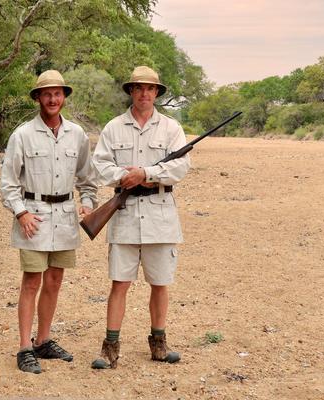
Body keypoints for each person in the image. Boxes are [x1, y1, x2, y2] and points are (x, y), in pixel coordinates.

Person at [90, 66, 189, 369]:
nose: (145, 94)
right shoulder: (113, 127)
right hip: (124, 213)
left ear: (157, 92)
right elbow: (100, 166)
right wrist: (126, 177)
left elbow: (181, 167)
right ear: (131, 91)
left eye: (150, 88)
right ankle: (110, 347)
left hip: (160, 213)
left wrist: (146, 173)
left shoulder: (171, 128)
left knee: (160, 283)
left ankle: (158, 343)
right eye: (139, 88)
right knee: (120, 283)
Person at [0, 70, 98, 374]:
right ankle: (24, 347)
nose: (53, 99)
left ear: (64, 97)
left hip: (66, 217)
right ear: (38, 98)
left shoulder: (77, 134)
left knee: (55, 281)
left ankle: (43, 340)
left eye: (58, 94)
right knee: (31, 281)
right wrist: (21, 213)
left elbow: (88, 178)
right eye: (47, 94)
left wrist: (88, 204)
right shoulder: (22, 135)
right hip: (35, 217)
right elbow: (8, 183)